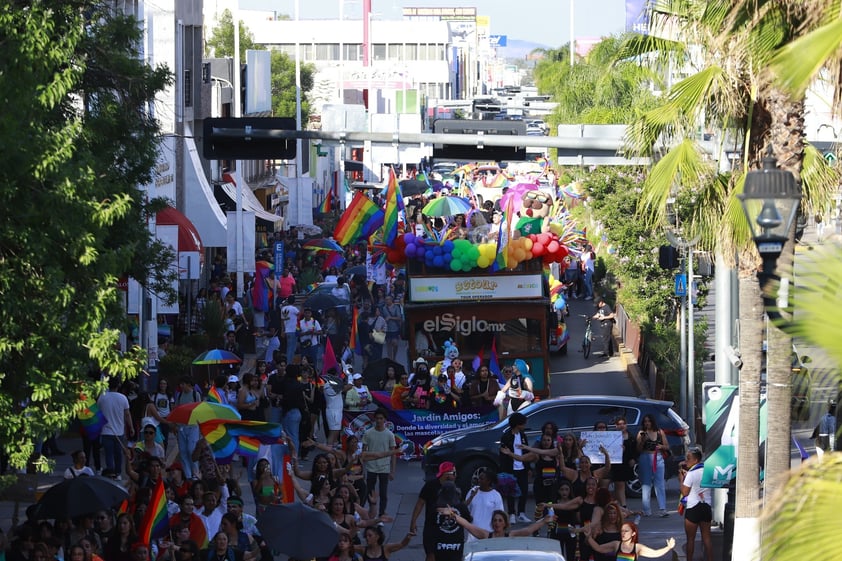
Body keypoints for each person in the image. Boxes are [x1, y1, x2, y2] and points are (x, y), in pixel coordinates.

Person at [409, 461, 457, 561]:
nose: (456, 476)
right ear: (447, 474)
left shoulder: (454, 488)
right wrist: (413, 521)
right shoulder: (430, 486)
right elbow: (420, 504)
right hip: (431, 528)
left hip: (447, 529)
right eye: (454, 473)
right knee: (431, 555)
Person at [361, 408, 399, 517]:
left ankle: (381, 514)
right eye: (377, 418)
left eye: (381, 418)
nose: (378, 421)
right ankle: (365, 513)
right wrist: (362, 469)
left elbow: (393, 454)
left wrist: (392, 471)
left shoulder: (389, 435)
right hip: (371, 467)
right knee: (368, 492)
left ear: (385, 420)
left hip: (384, 468)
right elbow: (364, 452)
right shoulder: (368, 433)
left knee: (383, 494)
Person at [679, 448, 712, 561]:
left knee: (691, 539)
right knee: (707, 538)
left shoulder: (691, 473)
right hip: (706, 506)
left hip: (693, 507)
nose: (686, 461)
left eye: (688, 458)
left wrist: (681, 479)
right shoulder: (708, 471)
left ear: (696, 460)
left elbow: (684, 492)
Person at [97, 378, 134, 478]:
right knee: (118, 454)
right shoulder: (123, 398)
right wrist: (131, 427)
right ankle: (118, 473)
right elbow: (127, 414)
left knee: (108, 454)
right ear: (118, 386)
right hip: (119, 431)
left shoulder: (102, 397)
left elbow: (98, 414)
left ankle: (110, 472)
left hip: (106, 430)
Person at [499, 412, 531, 525]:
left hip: (522, 468)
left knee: (524, 491)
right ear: (518, 424)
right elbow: (503, 454)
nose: (525, 425)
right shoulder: (506, 436)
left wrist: (528, 467)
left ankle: (521, 513)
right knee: (511, 492)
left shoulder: (522, 435)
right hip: (510, 468)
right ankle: (512, 513)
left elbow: (526, 451)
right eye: (523, 423)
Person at [583, 522, 676, 560]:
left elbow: (655, 553)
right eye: (622, 531)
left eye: (626, 531)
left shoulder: (638, 547)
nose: (623, 533)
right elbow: (599, 548)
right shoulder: (616, 544)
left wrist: (668, 547)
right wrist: (589, 537)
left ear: (633, 533)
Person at [636, 413, 670, 517]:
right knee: (646, 484)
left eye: (649, 421)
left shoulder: (659, 432)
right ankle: (646, 509)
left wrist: (662, 447)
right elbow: (638, 449)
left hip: (658, 457)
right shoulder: (641, 433)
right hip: (645, 457)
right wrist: (643, 441)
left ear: (652, 422)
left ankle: (662, 508)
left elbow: (667, 446)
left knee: (659, 483)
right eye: (645, 421)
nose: (647, 423)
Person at [444, 508, 551, 540]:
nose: (497, 523)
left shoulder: (510, 535)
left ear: (505, 523)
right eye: (495, 520)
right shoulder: (486, 535)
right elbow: (468, 525)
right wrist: (454, 516)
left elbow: (528, 530)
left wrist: (543, 521)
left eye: (500, 520)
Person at [173, 377, 202, 480]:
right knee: (183, 451)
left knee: (191, 449)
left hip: (193, 426)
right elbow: (176, 409)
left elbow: (199, 409)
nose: (181, 386)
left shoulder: (195, 395)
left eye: (183, 384)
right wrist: (175, 424)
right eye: (180, 384)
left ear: (188, 384)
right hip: (182, 426)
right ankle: (188, 475)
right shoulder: (180, 395)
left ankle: (196, 473)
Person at [464, 468, 504, 541]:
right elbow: (464, 508)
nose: (479, 480)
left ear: (489, 481)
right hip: (473, 533)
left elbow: (500, 515)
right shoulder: (472, 491)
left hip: (489, 533)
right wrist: (471, 496)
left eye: (482, 479)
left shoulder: (496, 495)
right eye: (479, 478)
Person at [610, 416, 638, 507]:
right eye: (619, 424)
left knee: (620, 485)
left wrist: (633, 459)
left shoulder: (631, 436)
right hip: (616, 464)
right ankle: (623, 505)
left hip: (626, 463)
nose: (622, 426)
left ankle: (617, 505)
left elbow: (635, 450)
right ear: (616, 426)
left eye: (623, 424)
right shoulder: (612, 436)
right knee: (619, 484)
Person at [380, 296, 403, 361]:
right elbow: (382, 317)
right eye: (386, 299)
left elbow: (399, 318)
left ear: (391, 300)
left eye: (388, 299)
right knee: (388, 344)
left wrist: (390, 318)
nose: (387, 301)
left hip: (395, 328)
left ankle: (394, 356)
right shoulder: (384, 308)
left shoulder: (396, 307)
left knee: (395, 343)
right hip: (387, 329)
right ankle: (390, 359)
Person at [280, 298, 300, 365]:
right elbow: (299, 314)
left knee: (289, 347)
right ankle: (288, 363)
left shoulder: (283, 309)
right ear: (294, 302)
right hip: (293, 330)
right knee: (291, 348)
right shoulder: (294, 308)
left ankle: (288, 362)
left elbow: (282, 321)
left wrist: (283, 330)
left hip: (286, 330)